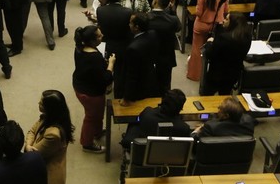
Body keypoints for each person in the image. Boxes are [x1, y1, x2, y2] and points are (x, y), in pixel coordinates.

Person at [71, 25, 115, 153]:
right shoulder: (94, 57)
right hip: (90, 93)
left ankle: (97, 132)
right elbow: (106, 78)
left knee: (97, 114)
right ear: (92, 41)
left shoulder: (79, 47)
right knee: (91, 117)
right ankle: (87, 143)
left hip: (80, 85)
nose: (102, 37)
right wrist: (111, 64)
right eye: (100, 36)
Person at [188, 0, 229, 82]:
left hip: (201, 26)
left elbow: (199, 13)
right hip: (217, 26)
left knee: (197, 50)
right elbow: (226, 11)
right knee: (215, 50)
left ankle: (195, 75)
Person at [202, 13, 252, 95]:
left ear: (233, 23)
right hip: (233, 74)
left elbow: (210, 54)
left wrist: (209, 43)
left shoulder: (223, 38)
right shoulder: (247, 37)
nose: (223, 21)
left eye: (226, 19)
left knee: (206, 96)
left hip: (217, 74)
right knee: (225, 94)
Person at [121, 89, 190, 147]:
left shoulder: (147, 114)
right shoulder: (184, 128)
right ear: (180, 108)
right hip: (171, 159)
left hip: (142, 156)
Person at [118, 13, 159, 104]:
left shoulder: (133, 49)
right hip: (150, 78)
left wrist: (127, 97)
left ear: (136, 27)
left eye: (130, 23)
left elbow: (131, 75)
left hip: (138, 87)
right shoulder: (153, 34)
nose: (129, 25)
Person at [148, 0, 181, 93]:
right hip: (166, 57)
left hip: (150, 57)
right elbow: (178, 28)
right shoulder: (173, 20)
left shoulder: (146, 18)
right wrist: (172, 9)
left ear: (155, 1)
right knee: (165, 85)